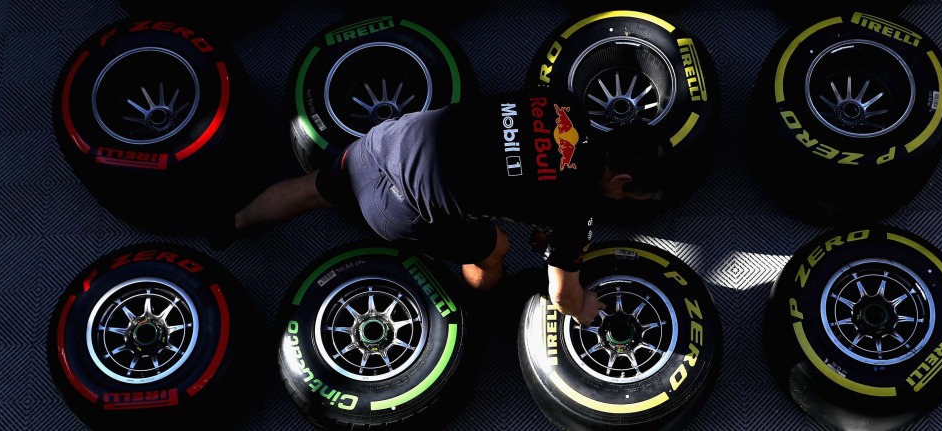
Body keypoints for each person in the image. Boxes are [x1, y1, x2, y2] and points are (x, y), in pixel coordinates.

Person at [229, 88, 667, 325]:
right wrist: (585, 307)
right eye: (628, 196)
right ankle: (480, 300)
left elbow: (521, 160)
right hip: (398, 211)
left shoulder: (561, 102)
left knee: (311, 188)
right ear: (621, 180)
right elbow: (562, 296)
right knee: (494, 247)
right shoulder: (573, 210)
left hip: (387, 142)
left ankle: (235, 221)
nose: (622, 201)